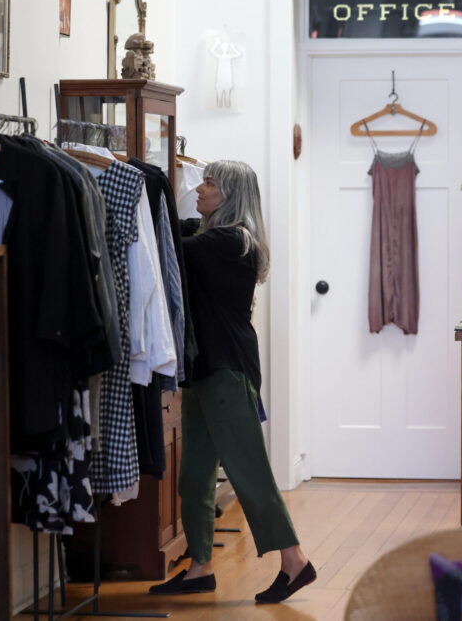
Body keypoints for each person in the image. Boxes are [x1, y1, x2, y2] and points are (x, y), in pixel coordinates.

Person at [148, 160, 316, 604]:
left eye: (210, 183)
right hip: (204, 369)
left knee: (248, 470)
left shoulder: (231, 241)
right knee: (194, 476)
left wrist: (151, 193)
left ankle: (295, 560)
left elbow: (170, 246)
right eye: (202, 181)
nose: (200, 189)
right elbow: (179, 232)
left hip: (228, 370)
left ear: (232, 195)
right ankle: (200, 568)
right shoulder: (211, 236)